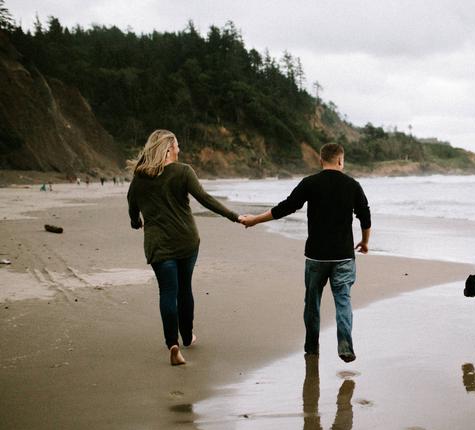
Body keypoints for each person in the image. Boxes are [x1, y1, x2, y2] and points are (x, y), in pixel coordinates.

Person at [240, 143, 371, 363]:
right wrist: (365, 242)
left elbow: (286, 207)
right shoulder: (352, 185)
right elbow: (364, 216)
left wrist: (254, 220)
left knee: (312, 303)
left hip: (316, 256)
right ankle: (345, 346)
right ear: (340, 160)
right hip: (343, 256)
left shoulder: (310, 183)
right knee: (343, 301)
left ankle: (311, 347)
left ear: (321, 161)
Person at [127, 129, 241, 366]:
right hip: (186, 240)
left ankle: (173, 344)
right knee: (184, 288)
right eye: (177, 145)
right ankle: (188, 336)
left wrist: (136, 222)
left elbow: (132, 207)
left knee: (167, 292)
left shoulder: (139, 177)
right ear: (169, 147)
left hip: (157, 244)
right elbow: (205, 199)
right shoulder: (183, 172)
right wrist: (234, 217)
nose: (180, 149)